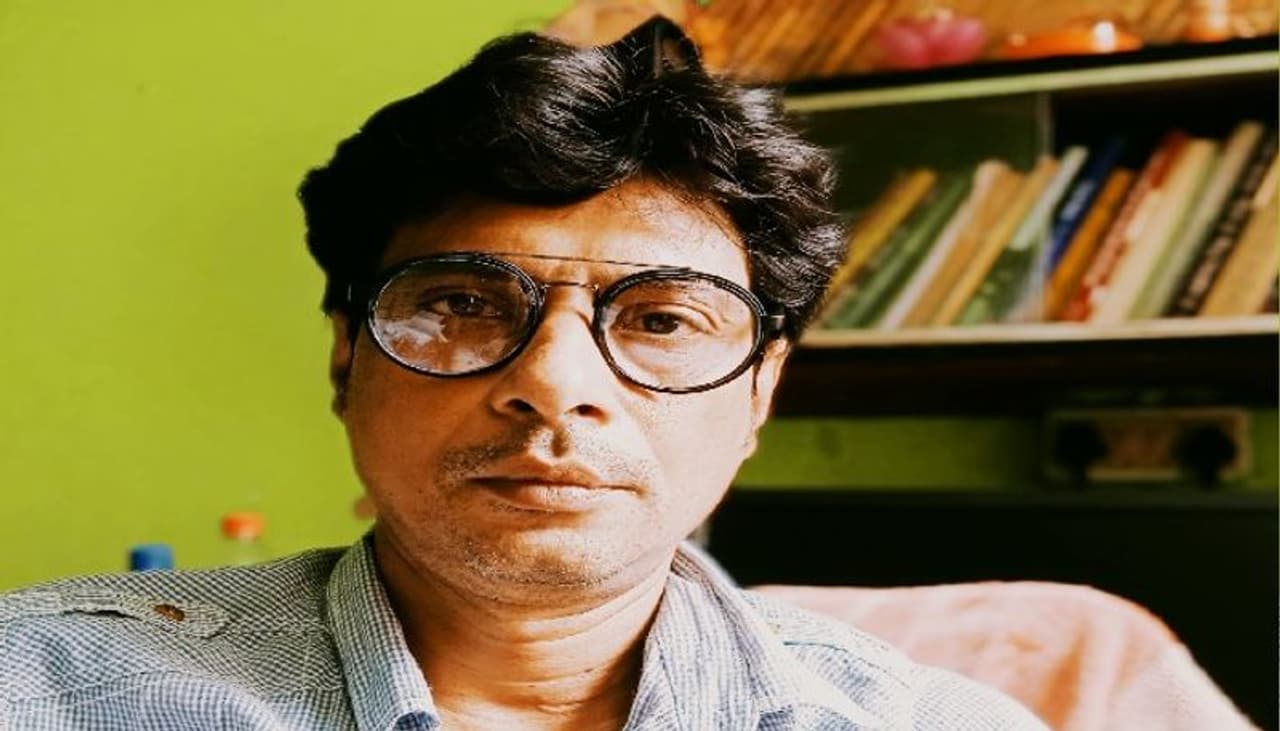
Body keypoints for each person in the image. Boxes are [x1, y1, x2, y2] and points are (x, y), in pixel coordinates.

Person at [0, 17, 1048, 730]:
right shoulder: (40, 690)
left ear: (758, 391)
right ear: (346, 354)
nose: (553, 382)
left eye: (662, 318)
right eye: (463, 305)